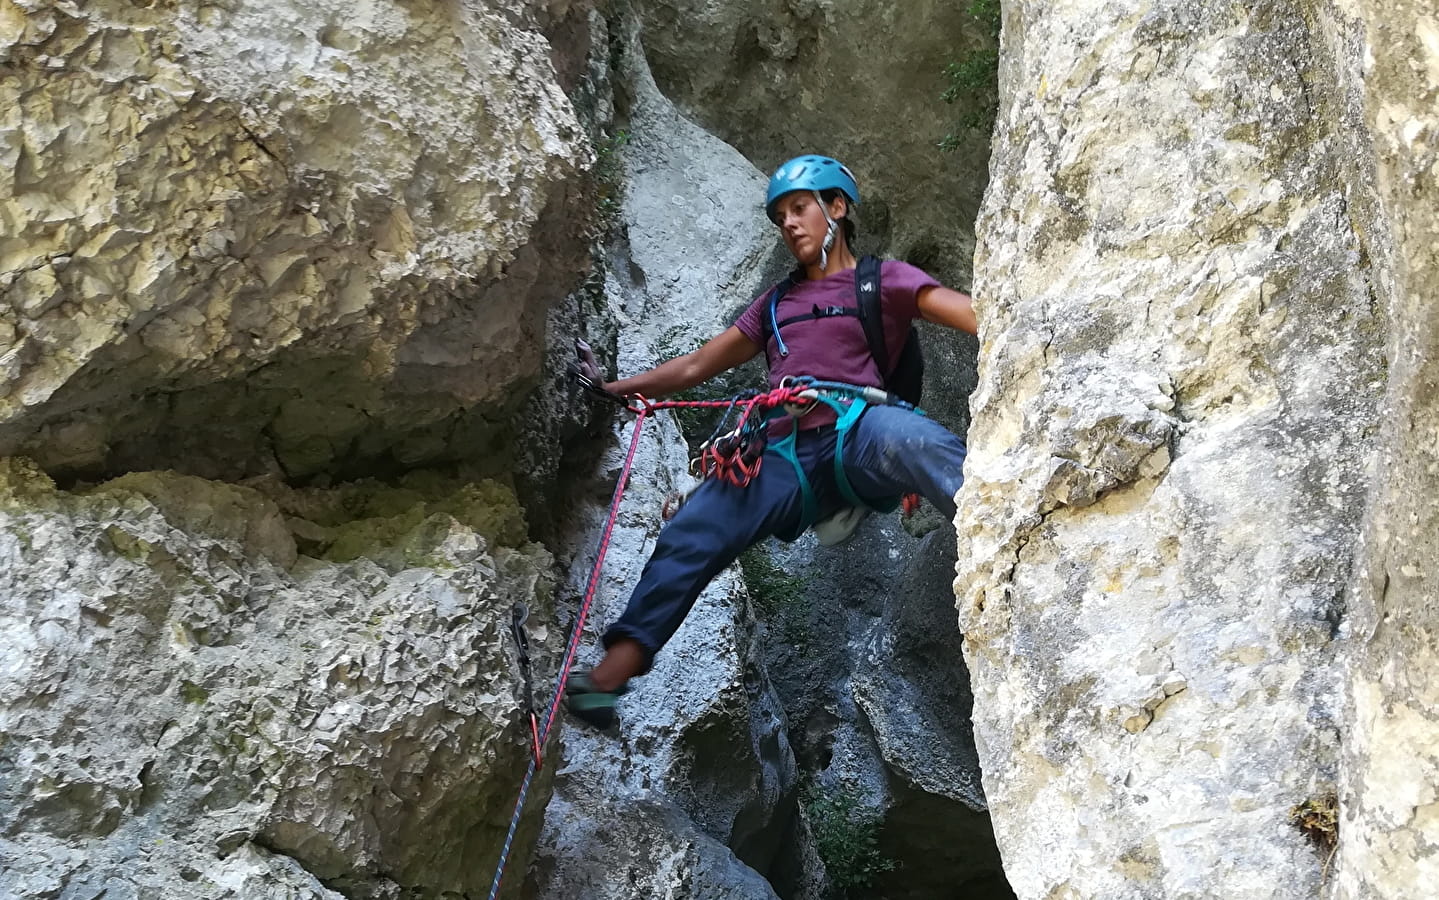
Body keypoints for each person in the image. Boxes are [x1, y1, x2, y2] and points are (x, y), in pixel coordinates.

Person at [566, 154, 977, 728]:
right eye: (780, 215)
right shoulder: (776, 305)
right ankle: (602, 685)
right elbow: (696, 367)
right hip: (782, 449)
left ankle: (1006, 536)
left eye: (800, 208)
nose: (789, 223)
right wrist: (614, 388)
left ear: (837, 207)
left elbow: (978, 315)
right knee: (693, 527)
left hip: (856, 428)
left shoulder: (882, 281)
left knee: (913, 438)